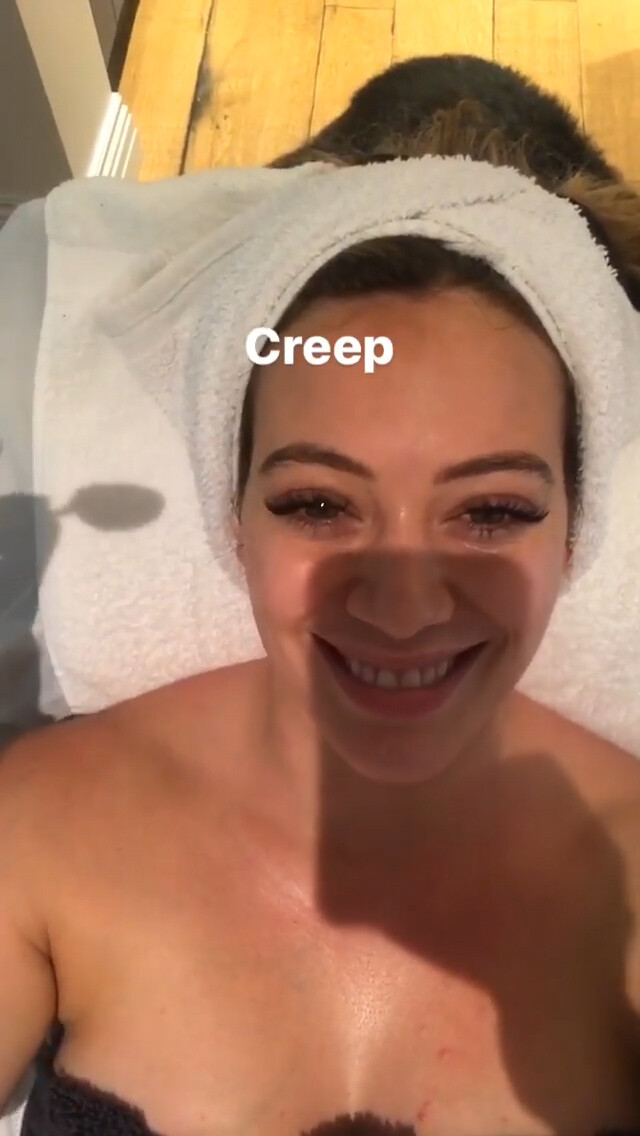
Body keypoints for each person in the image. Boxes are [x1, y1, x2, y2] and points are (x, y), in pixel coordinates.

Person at [2, 118, 640, 1136]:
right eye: (317, 503)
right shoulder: (38, 829)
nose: (403, 606)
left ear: (574, 535)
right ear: (233, 518)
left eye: (489, 511)